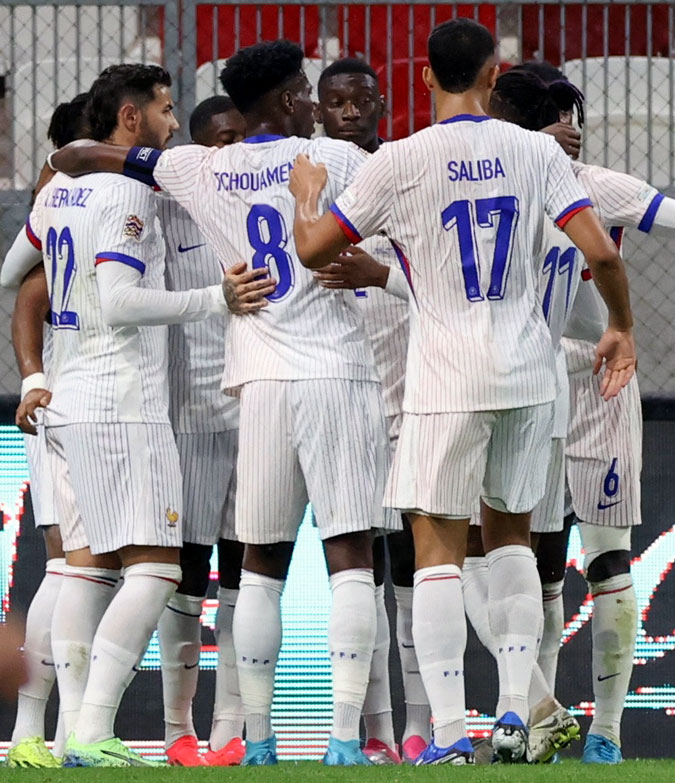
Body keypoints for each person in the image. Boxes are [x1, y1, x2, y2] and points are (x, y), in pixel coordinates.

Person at [290, 17, 636, 766]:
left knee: (439, 551)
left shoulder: (401, 161)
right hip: (527, 372)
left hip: (444, 375)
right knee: (512, 541)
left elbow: (315, 248)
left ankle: (448, 734)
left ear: (423, 77)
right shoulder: (538, 149)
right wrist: (622, 328)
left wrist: (308, 195)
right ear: (494, 73)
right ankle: (517, 715)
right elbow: (602, 251)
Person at [50, 41, 395, 767]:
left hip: (258, 382)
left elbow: (86, 156)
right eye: (303, 90)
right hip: (338, 374)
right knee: (351, 560)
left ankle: (260, 739)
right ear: (288, 99)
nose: (311, 100)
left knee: (260, 566)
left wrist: (75, 164)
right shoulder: (340, 160)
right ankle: (341, 740)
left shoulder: (200, 166)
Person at [491, 64, 675, 764]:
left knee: (606, 558)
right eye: (554, 113)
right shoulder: (498, 188)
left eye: (575, 113)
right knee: (533, 566)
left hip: (601, 381)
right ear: (518, 123)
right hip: (528, 381)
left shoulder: (600, 187)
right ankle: (526, 712)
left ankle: (606, 727)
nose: (571, 126)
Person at [27, 63, 265, 767]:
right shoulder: (127, 192)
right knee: (159, 569)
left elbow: (18, 274)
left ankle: (71, 732)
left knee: (88, 569)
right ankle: (97, 727)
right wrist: (213, 300)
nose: (169, 122)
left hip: (69, 396)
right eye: (163, 109)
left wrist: (38, 368)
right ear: (130, 118)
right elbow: (124, 300)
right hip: (121, 404)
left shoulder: (57, 194)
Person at [314, 56, 415, 766]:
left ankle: (421, 726)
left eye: (362, 99)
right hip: (344, 393)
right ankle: (376, 730)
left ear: (381, 104)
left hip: (415, 395)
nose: (351, 110)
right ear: (317, 110)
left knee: (412, 572)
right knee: (362, 573)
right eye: (337, 101)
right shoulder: (309, 181)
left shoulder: (406, 172)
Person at [156, 94, 248, 768]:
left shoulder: (262, 206)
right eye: (219, 140)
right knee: (187, 576)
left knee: (246, 573)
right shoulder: (166, 205)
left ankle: (231, 730)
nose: (231, 152)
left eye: (239, 138)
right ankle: (176, 729)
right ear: (193, 150)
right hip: (188, 413)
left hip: (254, 409)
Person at [0, 92, 91, 769]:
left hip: (74, 398)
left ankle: (48, 733)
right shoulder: (63, 201)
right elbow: (20, 286)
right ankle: (46, 732)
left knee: (76, 563)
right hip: (68, 400)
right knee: (72, 562)